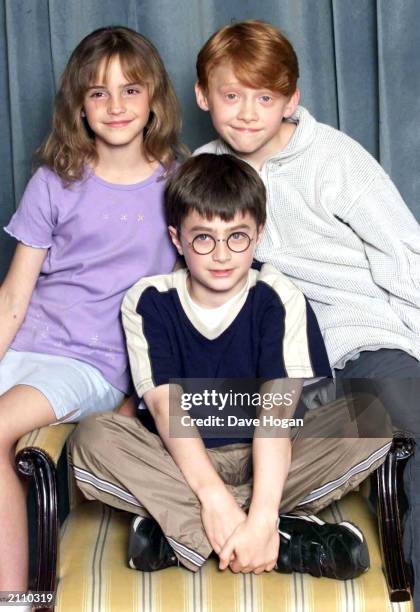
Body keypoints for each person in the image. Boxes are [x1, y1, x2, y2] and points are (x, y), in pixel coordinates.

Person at [71, 153, 391, 579]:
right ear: (177, 238)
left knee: (368, 416)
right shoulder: (148, 299)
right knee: (93, 437)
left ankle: (184, 532)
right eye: (203, 238)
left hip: (274, 458)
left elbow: (276, 417)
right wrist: (217, 500)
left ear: (258, 235)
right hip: (181, 458)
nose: (221, 254)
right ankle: (284, 542)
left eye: (236, 236)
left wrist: (260, 512)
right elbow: (168, 410)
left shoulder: (278, 295)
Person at [193, 19, 420, 605]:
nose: (246, 113)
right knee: (192, 421)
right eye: (231, 95)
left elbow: (405, 258)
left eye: (264, 98)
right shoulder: (204, 169)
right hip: (275, 362)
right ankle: (268, 532)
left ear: (291, 99)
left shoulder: (335, 159)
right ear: (203, 96)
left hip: (358, 338)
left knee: (413, 418)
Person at [0, 26, 183, 608]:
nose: (116, 106)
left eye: (130, 90)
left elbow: (190, 303)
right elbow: (13, 299)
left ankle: (13, 596)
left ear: (154, 99)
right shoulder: (54, 181)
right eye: (98, 93)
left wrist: (139, 397)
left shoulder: (179, 184)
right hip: (29, 342)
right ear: (79, 105)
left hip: (92, 361)